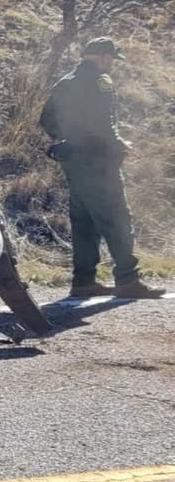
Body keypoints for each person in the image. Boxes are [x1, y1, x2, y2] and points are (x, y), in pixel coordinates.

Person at [39, 38, 164, 299]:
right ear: (105, 57)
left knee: (83, 221)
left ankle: (84, 282)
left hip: (74, 161)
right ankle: (128, 280)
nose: (113, 64)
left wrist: (73, 138)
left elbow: (47, 120)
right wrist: (118, 143)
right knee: (117, 218)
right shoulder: (100, 81)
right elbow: (104, 122)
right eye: (112, 59)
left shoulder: (65, 82)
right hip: (98, 162)